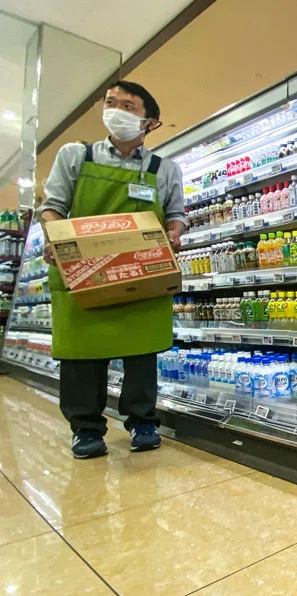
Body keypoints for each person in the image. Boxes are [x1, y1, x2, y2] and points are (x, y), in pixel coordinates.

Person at [38, 81, 187, 459]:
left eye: (128, 106)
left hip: (142, 273)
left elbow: (176, 216)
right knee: (82, 356)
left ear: (149, 122)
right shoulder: (77, 156)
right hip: (83, 271)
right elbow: (52, 207)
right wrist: (55, 239)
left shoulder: (164, 169)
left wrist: (175, 233)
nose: (116, 111)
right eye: (111, 103)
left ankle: (143, 421)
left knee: (142, 353)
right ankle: (86, 428)